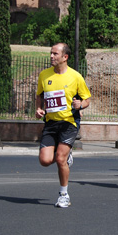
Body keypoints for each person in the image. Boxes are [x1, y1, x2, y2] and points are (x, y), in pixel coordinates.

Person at [36, 43, 91, 208]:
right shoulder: (44, 75)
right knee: (45, 161)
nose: (51, 56)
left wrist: (80, 105)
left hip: (69, 122)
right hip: (51, 123)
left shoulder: (75, 77)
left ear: (65, 57)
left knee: (60, 158)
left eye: (55, 54)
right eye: (51, 53)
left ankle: (64, 194)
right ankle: (67, 157)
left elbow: (87, 99)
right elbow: (40, 95)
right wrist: (39, 109)